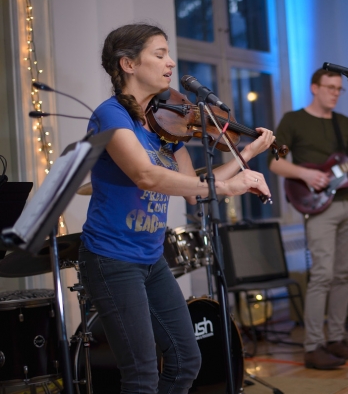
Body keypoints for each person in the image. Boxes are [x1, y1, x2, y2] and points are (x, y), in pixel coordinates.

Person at [78, 23, 275, 393]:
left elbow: (196, 191)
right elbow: (145, 176)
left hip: (151, 259)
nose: (171, 63)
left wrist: (245, 155)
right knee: (141, 375)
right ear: (128, 64)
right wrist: (232, 185)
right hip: (112, 259)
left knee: (187, 360)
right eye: (159, 54)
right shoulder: (110, 115)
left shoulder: (165, 126)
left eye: (169, 53)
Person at [268, 69, 348, 370]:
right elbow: (275, 162)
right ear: (314, 87)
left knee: (343, 274)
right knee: (323, 275)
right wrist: (306, 173)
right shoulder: (293, 120)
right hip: (317, 207)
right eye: (330, 87)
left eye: (339, 89)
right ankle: (313, 346)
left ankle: (337, 338)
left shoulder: (344, 123)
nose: (335, 93)